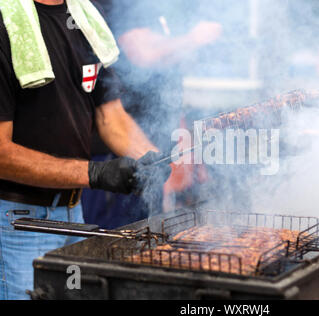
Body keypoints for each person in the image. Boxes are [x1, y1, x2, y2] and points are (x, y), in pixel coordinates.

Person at [0, 0, 170, 300]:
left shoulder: (84, 15)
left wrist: (151, 159)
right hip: (17, 222)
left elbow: (110, 116)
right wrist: (94, 172)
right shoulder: (6, 21)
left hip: (75, 218)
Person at [82, 0, 222, 229]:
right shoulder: (123, 4)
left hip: (146, 152)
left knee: (143, 237)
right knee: (111, 242)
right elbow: (142, 54)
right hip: (115, 157)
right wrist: (194, 38)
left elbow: (166, 80)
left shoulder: (154, 9)